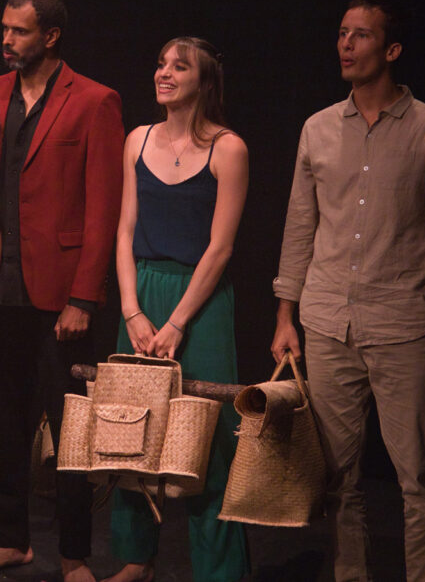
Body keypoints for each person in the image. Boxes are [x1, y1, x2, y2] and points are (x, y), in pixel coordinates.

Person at [270, 0, 425, 582]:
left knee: (417, 472)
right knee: (337, 474)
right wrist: (285, 314)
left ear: (390, 49)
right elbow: (300, 226)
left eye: (360, 35)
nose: (345, 44)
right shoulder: (317, 128)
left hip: (402, 324)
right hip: (326, 319)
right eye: (341, 33)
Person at [0, 0, 125, 582]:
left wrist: (84, 296)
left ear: (51, 37)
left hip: (61, 295)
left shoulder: (94, 101)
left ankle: (77, 554)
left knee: (71, 430)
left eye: (20, 31)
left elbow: (102, 207)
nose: (6, 40)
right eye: (4, 28)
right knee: (5, 425)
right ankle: (10, 540)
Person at [105, 38, 250, 582]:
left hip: (199, 300)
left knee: (208, 437)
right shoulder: (137, 139)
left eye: (178, 66)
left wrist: (176, 322)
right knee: (132, 431)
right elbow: (124, 230)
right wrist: (133, 311)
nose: (164, 73)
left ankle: (218, 569)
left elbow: (221, 248)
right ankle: (136, 558)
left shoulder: (228, 148)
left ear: (203, 79)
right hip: (141, 293)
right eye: (161, 64)